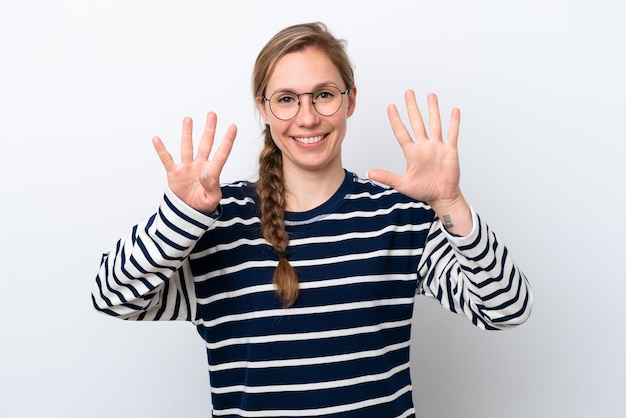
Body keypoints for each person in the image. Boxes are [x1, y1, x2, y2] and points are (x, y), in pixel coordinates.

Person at [92, 22, 532, 418]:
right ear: (263, 109)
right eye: (286, 99)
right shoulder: (218, 226)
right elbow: (112, 296)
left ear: (350, 100)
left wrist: (451, 202)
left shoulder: (398, 216)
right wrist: (183, 216)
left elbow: (506, 309)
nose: (307, 117)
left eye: (324, 94)